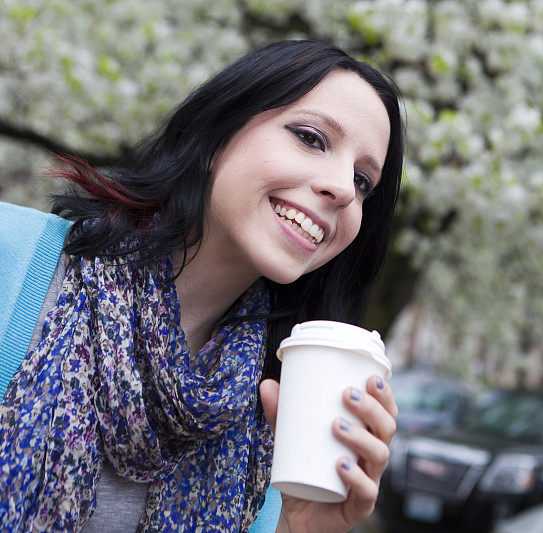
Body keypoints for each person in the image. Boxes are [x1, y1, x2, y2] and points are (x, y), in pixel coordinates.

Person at [0, 39, 402, 532]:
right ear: (217, 135)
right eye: (312, 138)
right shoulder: (12, 256)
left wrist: (306, 528)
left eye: (363, 181)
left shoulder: (285, 429)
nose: (342, 188)